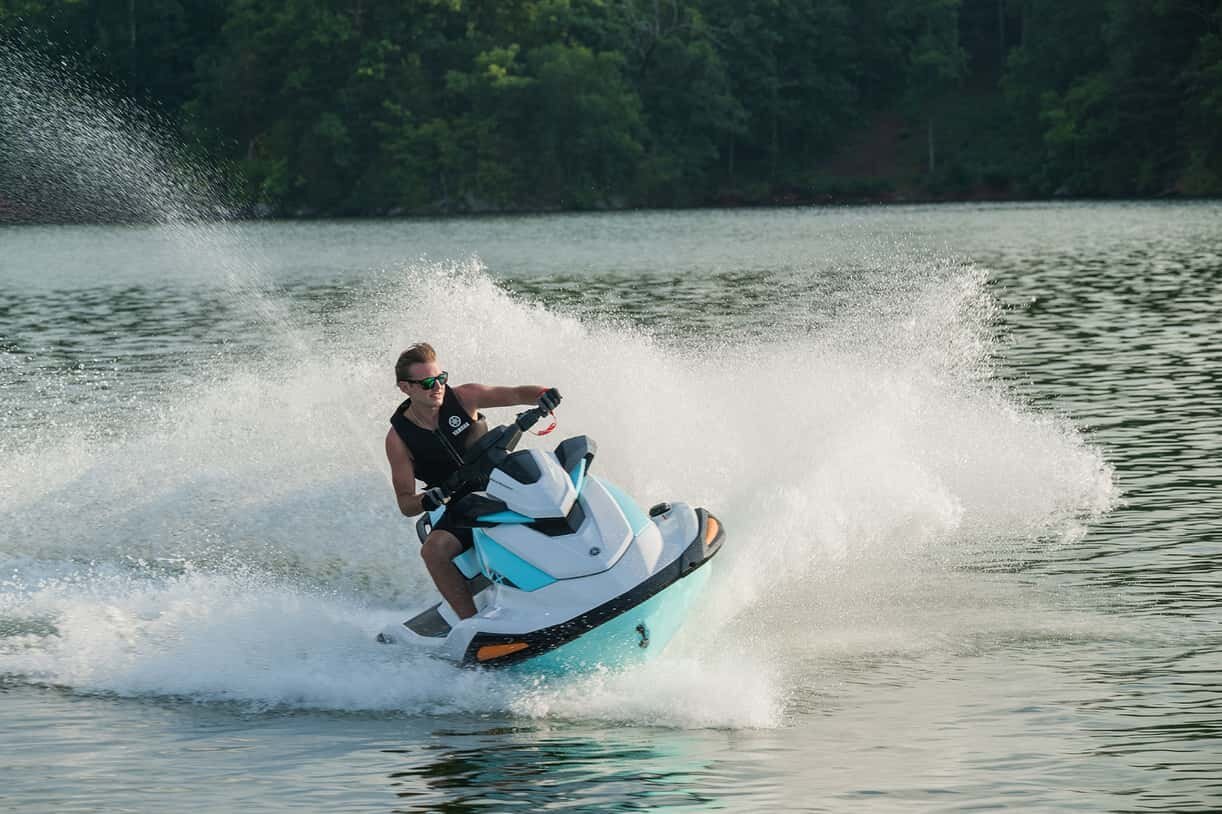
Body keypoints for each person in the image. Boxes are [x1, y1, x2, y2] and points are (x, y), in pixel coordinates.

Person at [385, 342, 561, 619]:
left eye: (441, 378)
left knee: (555, 480)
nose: (438, 387)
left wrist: (543, 394)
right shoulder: (398, 439)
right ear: (406, 388)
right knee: (433, 551)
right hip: (463, 505)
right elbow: (406, 504)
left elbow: (516, 394)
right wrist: (427, 499)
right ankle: (472, 624)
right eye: (428, 382)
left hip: (505, 480)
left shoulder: (465, 397)